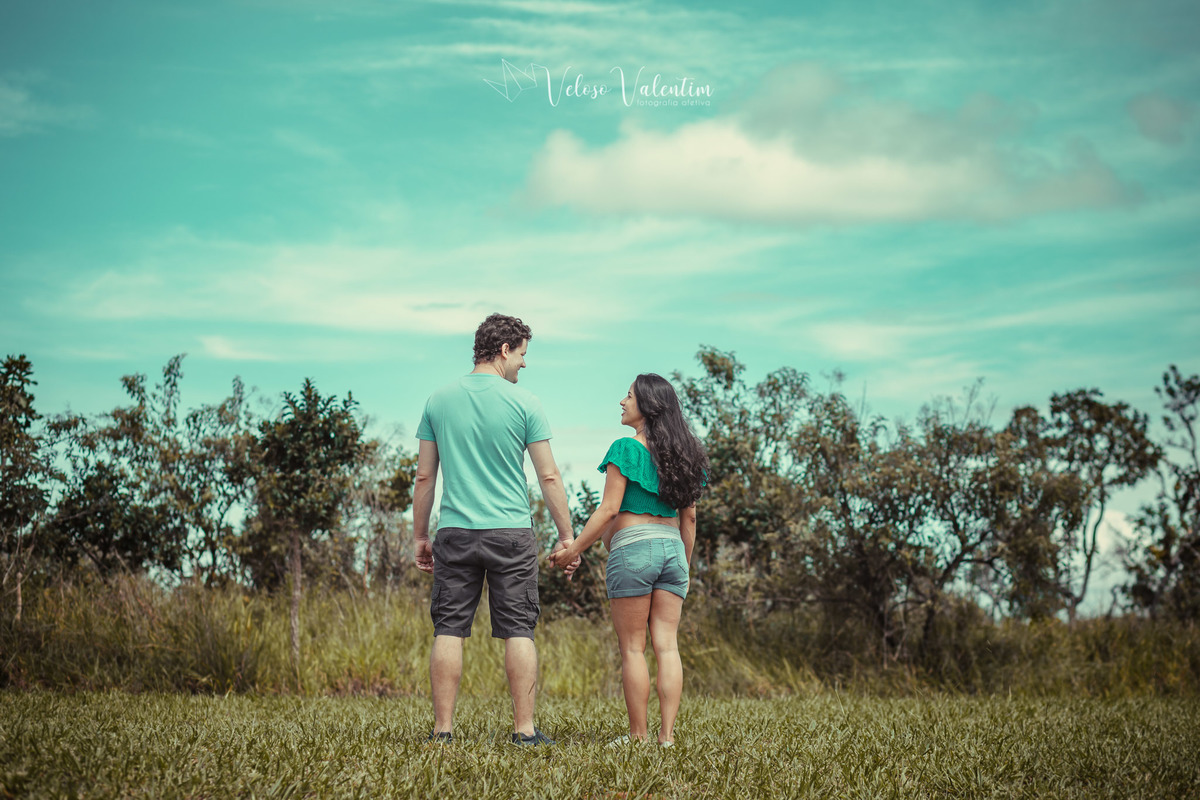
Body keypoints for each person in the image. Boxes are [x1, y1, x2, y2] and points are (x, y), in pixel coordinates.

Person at [412, 313, 579, 746]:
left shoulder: (438, 400)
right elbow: (549, 478)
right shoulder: (526, 404)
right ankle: (524, 731)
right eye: (522, 354)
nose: (524, 364)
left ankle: (442, 731)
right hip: (511, 533)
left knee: (448, 627)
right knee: (518, 629)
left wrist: (419, 537)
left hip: (456, 532)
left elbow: (425, 478)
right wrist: (567, 538)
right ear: (504, 350)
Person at [549, 373, 708, 747]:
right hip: (672, 549)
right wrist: (682, 565)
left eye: (629, 396)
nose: (622, 402)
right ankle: (666, 739)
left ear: (648, 406)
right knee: (667, 646)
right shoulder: (688, 456)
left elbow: (608, 510)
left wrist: (573, 550)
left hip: (634, 548)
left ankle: (638, 738)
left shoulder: (626, 449)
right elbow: (690, 518)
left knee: (633, 648)